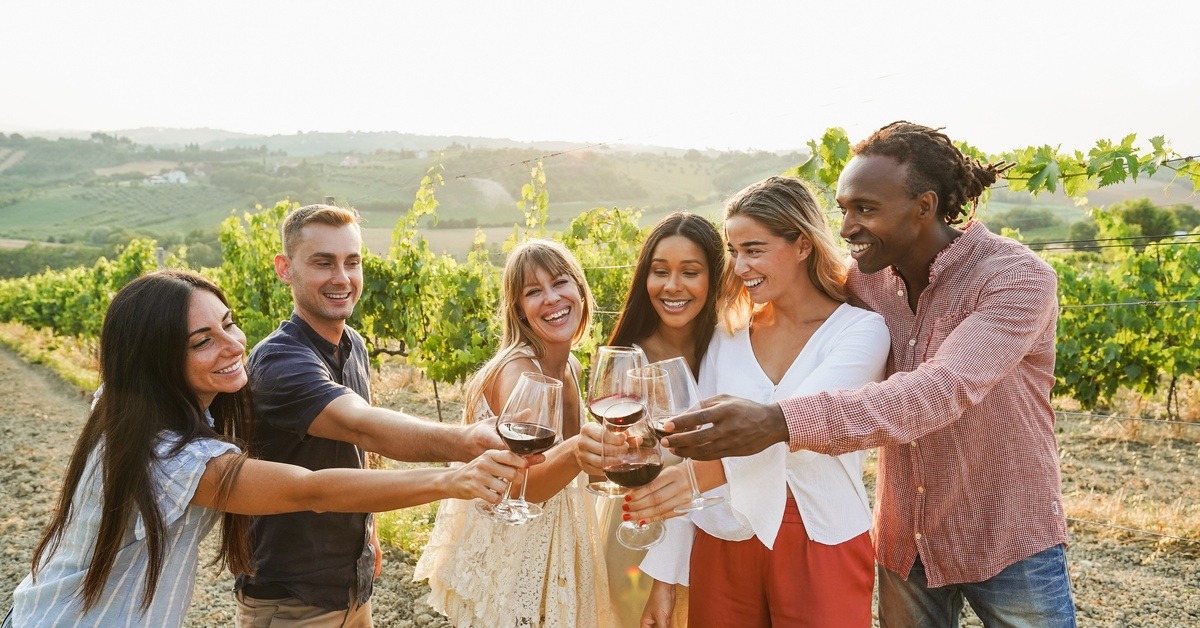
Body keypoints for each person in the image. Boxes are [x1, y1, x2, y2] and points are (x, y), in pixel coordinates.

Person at [657, 122, 1077, 626]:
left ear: (923, 206)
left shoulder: (1016, 278)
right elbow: (797, 299)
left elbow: (941, 389)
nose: (848, 226)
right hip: (906, 536)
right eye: (844, 209)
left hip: (1006, 532)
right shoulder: (865, 281)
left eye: (866, 209)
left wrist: (777, 421)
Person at [4, 270, 528, 627]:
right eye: (201, 341)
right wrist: (449, 478)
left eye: (228, 323)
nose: (234, 345)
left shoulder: (130, 407)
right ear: (155, 361)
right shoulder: (170, 457)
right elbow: (309, 487)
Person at [629, 178, 888, 627]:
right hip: (724, 535)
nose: (740, 265)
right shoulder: (726, 335)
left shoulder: (860, 332)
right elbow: (692, 450)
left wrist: (701, 475)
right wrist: (664, 580)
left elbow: (798, 425)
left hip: (820, 539)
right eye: (733, 251)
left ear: (802, 244)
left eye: (754, 249)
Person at [235, 204, 503, 626]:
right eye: (323, 263)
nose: (342, 278)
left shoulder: (353, 343)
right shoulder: (279, 362)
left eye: (352, 262)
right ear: (285, 269)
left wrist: (367, 535)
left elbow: (355, 452)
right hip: (293, 597)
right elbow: (363, 427)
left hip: (351, 585)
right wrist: (467, 439)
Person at [414, 239, 614, 627]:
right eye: (534, 292)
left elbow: (588, 475)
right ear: (519, 310)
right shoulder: (518, 372)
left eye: (560, 283)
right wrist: (580, 448)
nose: (552, 299)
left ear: (579, 289)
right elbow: (524, 488)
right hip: (512, 553)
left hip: (556, 542)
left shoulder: (571, 364)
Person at [584, 211, 727, 627]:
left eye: (690, 272)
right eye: (659, 271)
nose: (672, 286)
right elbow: (611, 448)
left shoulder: (733, 349)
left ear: (714, 278)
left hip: (716, 527)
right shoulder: (630, 357)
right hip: (642, 526)